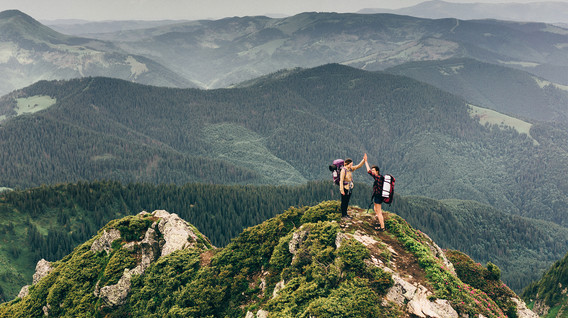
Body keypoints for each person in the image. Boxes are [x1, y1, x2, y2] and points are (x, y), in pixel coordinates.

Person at [339, 154, 366, 218]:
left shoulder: (350, 169)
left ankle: (345, 214)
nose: (352, 165)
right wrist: (342, 190)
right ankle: (343, 214)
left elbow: (358, 166)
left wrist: (364, 160)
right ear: (348, 164)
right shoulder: (343, 170)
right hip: (345, 188)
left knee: (347, 201)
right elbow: (341, 181)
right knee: (344, 201)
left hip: (349, 187)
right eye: (351, 164)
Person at [365, 158, 386, 231]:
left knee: (379, 212)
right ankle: (379, 221)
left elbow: (368, 171)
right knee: (375, 209)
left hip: (378, 196)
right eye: (372, 170)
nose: (372, 171)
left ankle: (382, 227)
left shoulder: (377, 177)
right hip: (379, 196)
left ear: (377, 171)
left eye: (373, 170)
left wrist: (365, 161)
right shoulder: (380, 177)